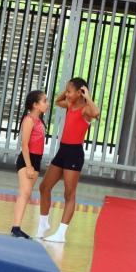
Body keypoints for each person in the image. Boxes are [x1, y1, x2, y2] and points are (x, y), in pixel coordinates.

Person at [36, 78, 99, 243]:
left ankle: (61, 233)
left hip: (74, 153)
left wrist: (88, 96)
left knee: (69, 194)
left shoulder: (86, 109)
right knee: (44, 187)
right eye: (67, 91)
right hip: (63, 150)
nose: (67, 94)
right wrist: (68, 91)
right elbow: (58, 101)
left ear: (80, 92)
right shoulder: (70, 105)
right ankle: (43, 225)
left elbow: (96, 113)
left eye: (70, 91)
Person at [11, 90, 49, 239]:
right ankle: (16, 227)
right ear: (35, 104)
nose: (47, 103)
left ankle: (16, 227)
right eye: (44, 101)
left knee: (27, 194)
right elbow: (25, 145)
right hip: (27, 160)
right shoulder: (29, 120)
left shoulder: (39, 120)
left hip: (36, 160)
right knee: (25, 193)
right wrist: (28, 166)